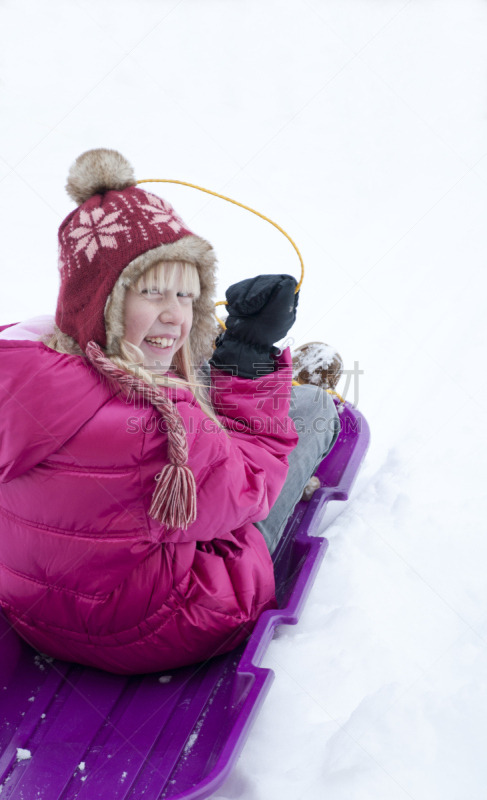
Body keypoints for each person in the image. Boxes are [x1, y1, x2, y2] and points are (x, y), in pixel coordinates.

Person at [0, 149, 339, 675]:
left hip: (34, 610)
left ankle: (239, 379)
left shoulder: (19, 365)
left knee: (186, 375)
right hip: (156, 625)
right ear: (104, 300)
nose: (174, 313)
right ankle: (305, 390)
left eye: (186, 295)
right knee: (310, 411)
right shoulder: (154, 425)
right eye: (151, 292)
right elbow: (252, 489)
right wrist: (248, 362)